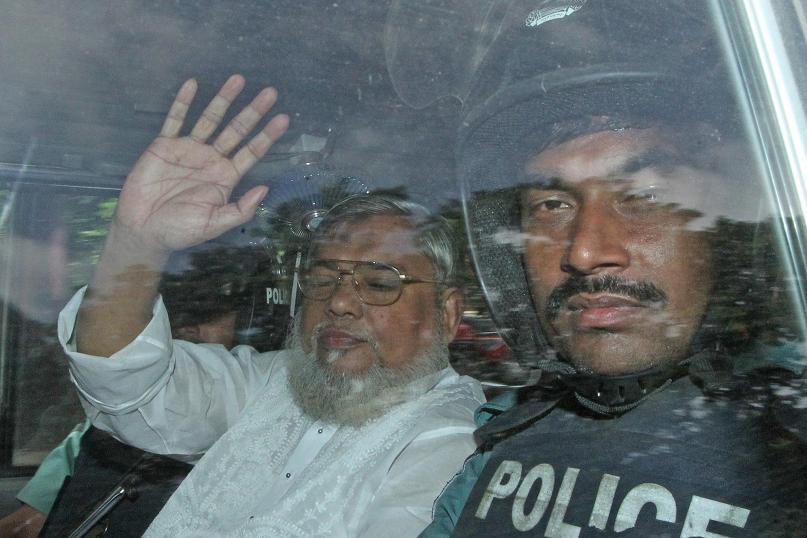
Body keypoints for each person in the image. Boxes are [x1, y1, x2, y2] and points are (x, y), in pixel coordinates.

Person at [421, 1, 807, 536]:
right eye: (552, 206)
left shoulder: (788, 424)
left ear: (731, 219)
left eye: (644, 193)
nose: (583, 252)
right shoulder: (507, 439)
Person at [57, 75, 484, 536]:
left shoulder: (451, 442)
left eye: (380, 284)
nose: (339, 301)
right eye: (322, 279)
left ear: (446, 315)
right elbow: (126, 384)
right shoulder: (277, 380)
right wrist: (137, 242)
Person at [0, 246, 254, 538]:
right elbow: (28, 524)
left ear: (244, 319)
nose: (191, 326)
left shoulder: (260, 421)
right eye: (181, 308)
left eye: (211, 310)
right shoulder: (105, 423)